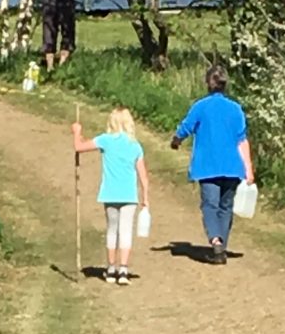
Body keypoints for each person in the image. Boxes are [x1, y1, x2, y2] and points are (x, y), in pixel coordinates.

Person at [170, 64, 255, 264]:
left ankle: (216, 241)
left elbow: (186, 127)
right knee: (226, 206)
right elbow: (242, 140)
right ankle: (221, 247)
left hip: (207, 166)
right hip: (232, 166)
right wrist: (248, 169)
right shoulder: (235, 109)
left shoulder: (201, 106)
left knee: (210, 204)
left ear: (207, 83)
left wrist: (176, 140)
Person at [72, 107, 149, 285]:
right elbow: (143, 176)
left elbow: (79, 147)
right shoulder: (135, 146)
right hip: (129, 195)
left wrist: (77, 132)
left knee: (112, 230)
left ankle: (111, 268)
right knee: (126, 231)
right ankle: (123, 270)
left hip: (110, 193)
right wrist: (145, 198)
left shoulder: (105, 140)